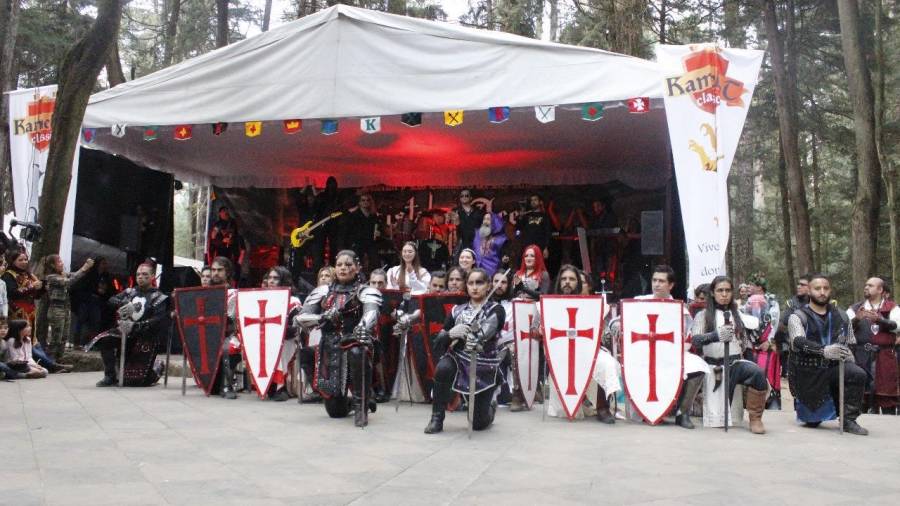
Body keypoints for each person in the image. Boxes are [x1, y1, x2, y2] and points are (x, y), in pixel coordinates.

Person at [295, 250, 382, 427]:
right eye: (340, 264)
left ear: (357, 268)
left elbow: (371, 313)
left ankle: (361, 406)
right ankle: (347, 403)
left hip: (355, 340)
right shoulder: (323, 291)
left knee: (358, 352)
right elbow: (301, 318)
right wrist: (323, 317)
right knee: (335, 412)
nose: (343, 268)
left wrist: (361, 329)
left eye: (348, 265)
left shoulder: (366, 291)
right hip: (329, 346)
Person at [425, 268, 505, 434]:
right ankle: (436, 418)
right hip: (458, 357)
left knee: (478, 424)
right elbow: (438, 342)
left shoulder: (496, 309)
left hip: (483, 363)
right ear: (466, 286)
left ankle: (490, 408)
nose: (475, 287)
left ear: (488, 286)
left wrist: (475, 336)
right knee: (443, 368)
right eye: (471, 283)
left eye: (479, 283)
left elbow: (487, 330)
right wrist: (451, 333)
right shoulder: (456, 310)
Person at [787, 274, 868, 435]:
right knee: (812, 422)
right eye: (817, 288)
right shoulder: (797, 316)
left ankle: (848, 420)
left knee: (857, 374)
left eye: (825, 288)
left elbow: (850, 340)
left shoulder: (842, 315)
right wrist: (823, 350)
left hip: (834, 367)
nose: (822, 292)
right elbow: (798, 341)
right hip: (809, 373)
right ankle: (813, 413)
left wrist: (848, 354)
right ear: (809, 291)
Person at [688, 276, 768, 434]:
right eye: (720, 290)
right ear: (712, 293)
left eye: (727, 290)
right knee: (717, 419)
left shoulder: (738, 315)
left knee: (757, 373)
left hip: (734, 365)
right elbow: (695, 341)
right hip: (713, 367)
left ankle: (756, 418)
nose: (724, 294)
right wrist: (715, 336)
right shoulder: (703, 316)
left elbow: (744, 343)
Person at [635, 265, 709, 429]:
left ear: (671, 285)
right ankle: (645, 410)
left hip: (671, 354)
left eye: (661, 281)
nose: (656, 284)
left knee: (698, 366)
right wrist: (616, 324)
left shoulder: (680, 310)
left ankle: (682, 413)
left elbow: (687, 339)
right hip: (643, 354)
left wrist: (670, 352)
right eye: (654, 280)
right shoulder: (639, 301)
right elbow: (620, 320)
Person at [94, 263, 168, 387]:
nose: (140, 277)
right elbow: (111, 300)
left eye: (145, 274)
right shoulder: (130, 292)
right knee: (104, 339)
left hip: (145, 338)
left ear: (152, 276)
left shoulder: (159, 297)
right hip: (126, 334)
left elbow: (157, 320)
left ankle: (156, 369)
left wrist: (136, 326)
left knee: (134, 381)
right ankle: (110, 375)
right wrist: (122, 302)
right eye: (138, 274)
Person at [847, 277, 899, 414]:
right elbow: (844, 329)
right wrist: (856, 319)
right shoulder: (855, 308)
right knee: (861, 396)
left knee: (887, 397)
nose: (866, 287)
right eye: (865, 285)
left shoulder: (892, 308)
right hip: (861, 358)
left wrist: (880, 319)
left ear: (880, 289)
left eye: (870, 285)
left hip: (885, 357)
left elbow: (897, 327)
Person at [38, 255, 94, 359]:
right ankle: (51, 359)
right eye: (59, 262)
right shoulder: (51, 277)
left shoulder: (63, 275)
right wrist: (84, 268)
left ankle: (59, 358)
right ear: (52, 265)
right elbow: (70, 281)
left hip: (65, 308)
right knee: (56, 336)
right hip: (56, 309)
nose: (62, 264)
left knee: (64, 336)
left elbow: (75, 275)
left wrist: (85, 268)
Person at [264, 266, 303, 402]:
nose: (271, 281)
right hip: (267, 339)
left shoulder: (293, 301)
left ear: (284, 280)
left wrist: (277, 333)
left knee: (277, 348)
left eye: (276, 278)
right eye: (269, 278)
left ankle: (280, 387)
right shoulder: (262, 298)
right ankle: (266, 384)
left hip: (287, 340)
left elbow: (295, 328)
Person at [209, 257, 241, 399]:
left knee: (228, 348)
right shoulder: (204, 293)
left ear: (227, 272)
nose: (215, 273)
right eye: (213, 270)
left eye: (219, 270)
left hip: (229, 334)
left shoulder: (233, 293)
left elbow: (230, 318)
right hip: (210, 335)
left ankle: (228, 384)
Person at [2, 248, 44, 328]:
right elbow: (12, 294)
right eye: (20, 260)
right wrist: (32, 287)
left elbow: (36, 296)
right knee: (18, 335)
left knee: (29, 336)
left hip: (30, 310)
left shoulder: (29, 275)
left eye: (26, 259)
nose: (24, 262)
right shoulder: (8, 275)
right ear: (13, 261)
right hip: (15, 311)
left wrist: (41, 288)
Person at [208, 206, 245, 282]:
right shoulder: (218, 225)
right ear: (220, 213)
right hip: (221, 252)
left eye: (226, 211)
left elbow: (237, 235)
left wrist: (232, 240)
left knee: (233, 271)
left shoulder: (233, 223)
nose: (226, 213)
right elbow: (213, 238)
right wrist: (222, 240)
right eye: (223, 211)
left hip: (232, 253)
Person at [515, 194, 552, 260]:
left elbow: (547, 232)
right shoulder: (526, 216)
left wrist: (546, 248)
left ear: (540, 202)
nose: (533, 202)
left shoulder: (544, 216)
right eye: (531, 200)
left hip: (539, 247)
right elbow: (519, 228)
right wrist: (520, 217)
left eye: (535, 200)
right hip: (526, 246)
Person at [449, 189, 483, 256]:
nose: (464, 197)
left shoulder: (478, 211)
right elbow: (452, 229)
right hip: (461, 242)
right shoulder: (455, 211)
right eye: (462, 196)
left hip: (476, 242)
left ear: (471, 198)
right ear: (460, 198)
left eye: (466, 195)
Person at [473, 212, 508, 277]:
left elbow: (504, 259)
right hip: (476, 272)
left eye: (488, 219)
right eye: (484, 219)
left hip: (493, 274)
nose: (485, 222)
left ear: (495, 222)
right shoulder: (477, 235)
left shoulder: (501, 240)